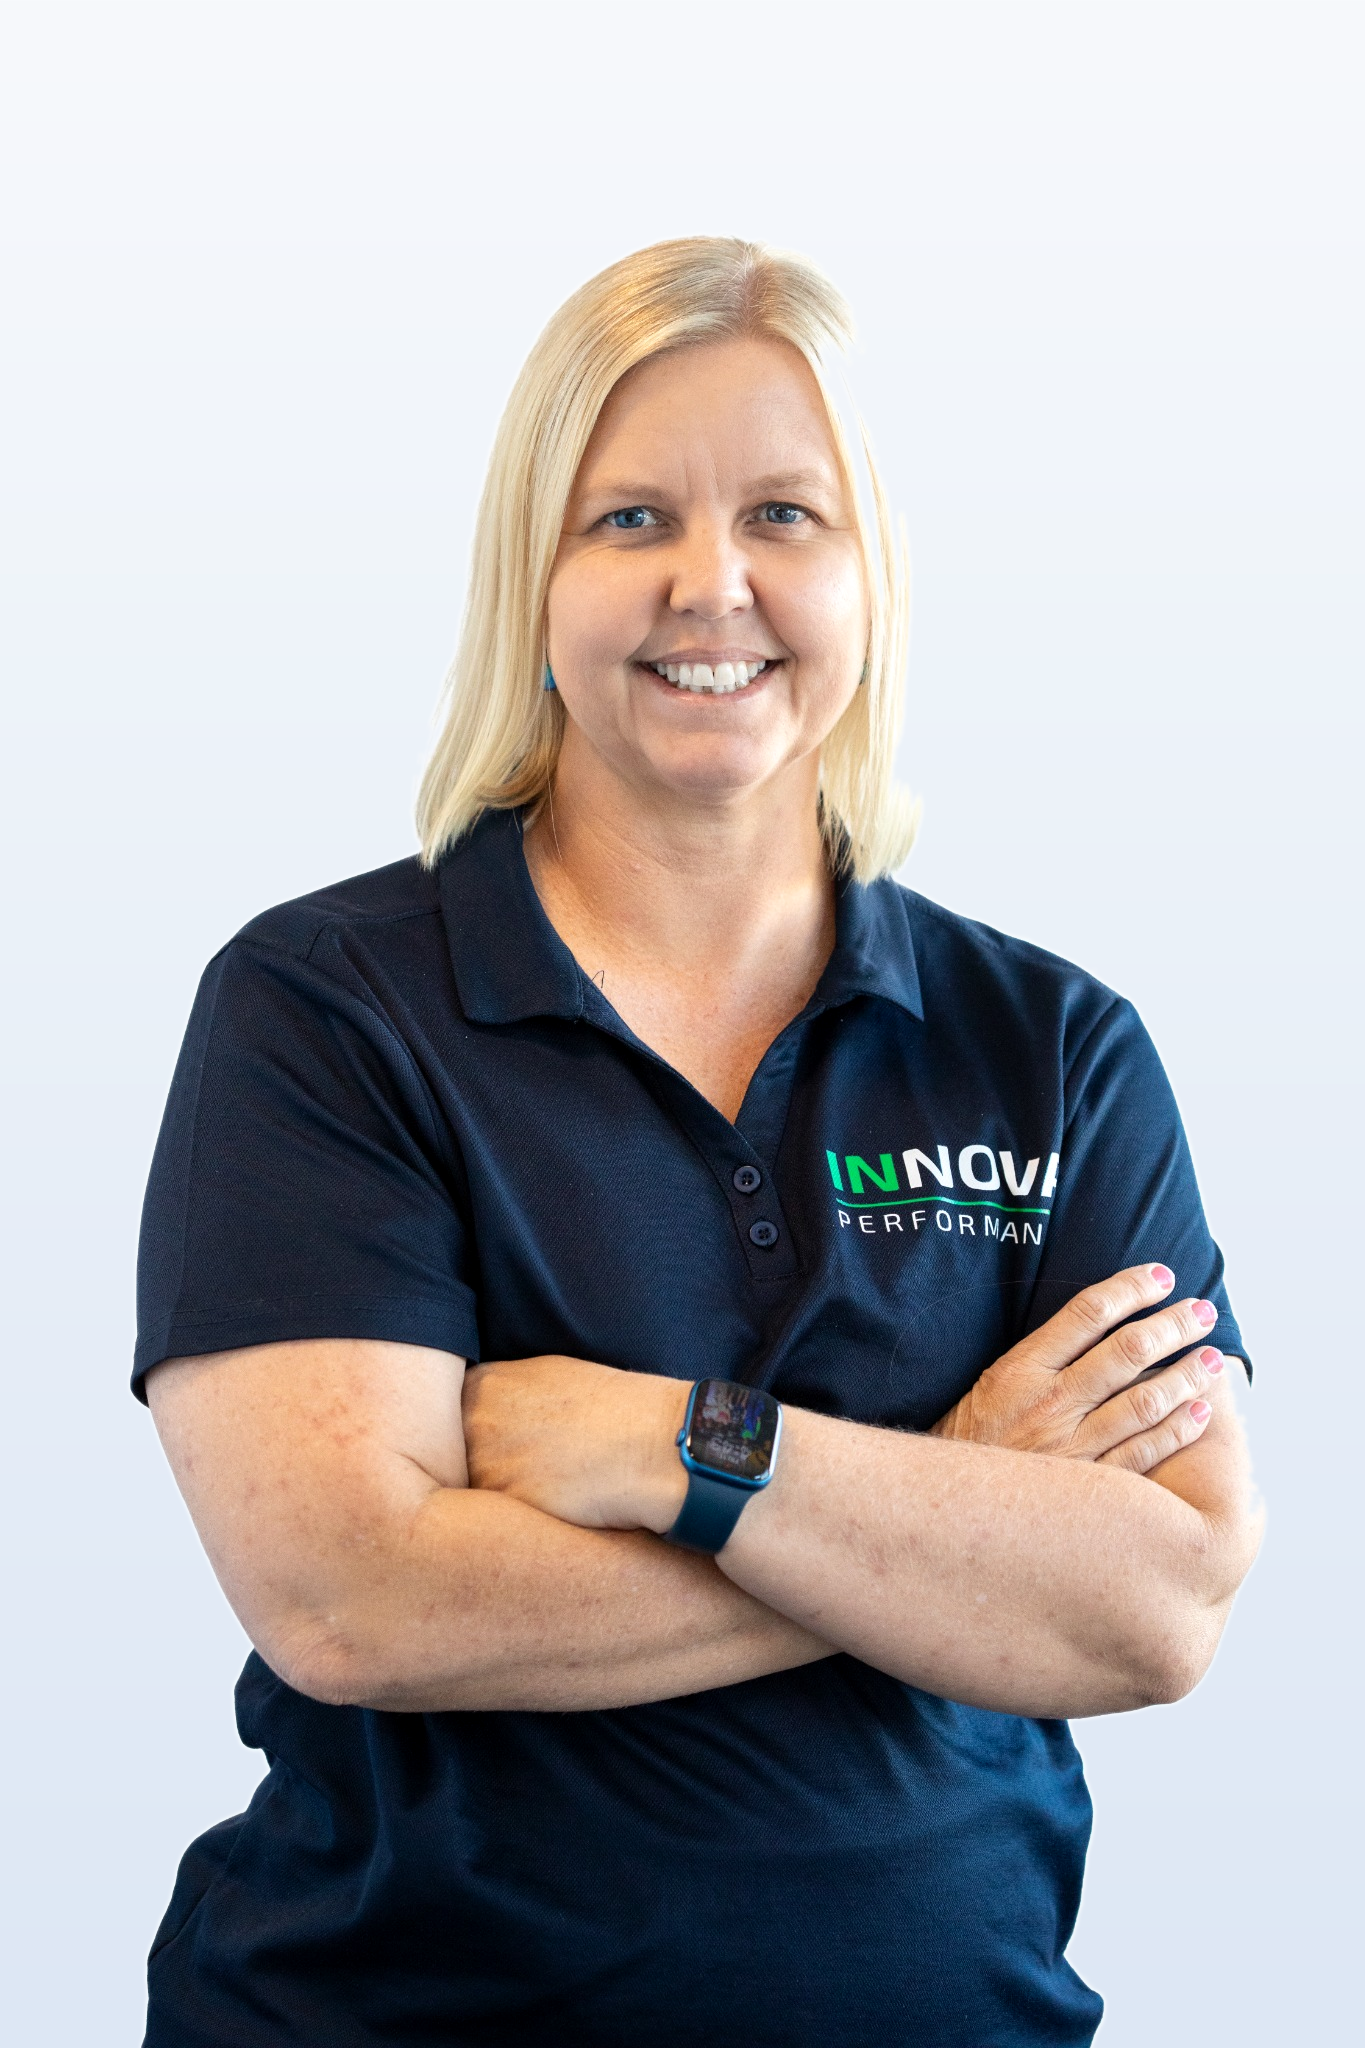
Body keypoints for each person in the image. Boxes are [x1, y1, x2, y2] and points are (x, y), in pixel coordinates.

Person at [136, 237, 1261, 2048]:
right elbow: (359, 1602)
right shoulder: (327, 1012)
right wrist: (952, 1494)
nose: (710, 584)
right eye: (632, 518)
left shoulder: (1050, 1052)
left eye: (786, 517)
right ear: (534, 579)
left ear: (869, 573)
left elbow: (1162, 1606)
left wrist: (692, 1452)